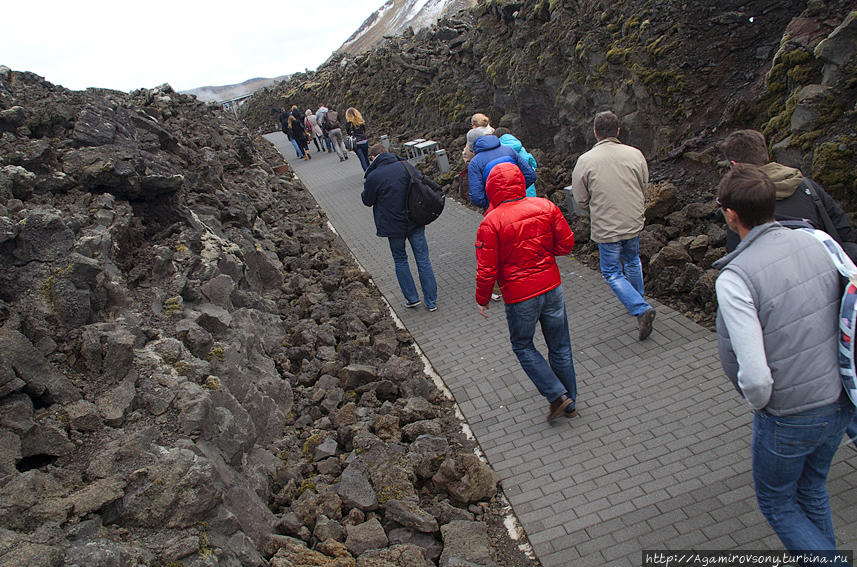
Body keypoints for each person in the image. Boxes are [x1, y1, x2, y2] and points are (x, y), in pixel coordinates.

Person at [713, 163, 855, 563]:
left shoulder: (735, 277)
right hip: (840, 400)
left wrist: (761, 405)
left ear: (730, 214)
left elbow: (755, 375)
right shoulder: (817, 243)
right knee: (811, 489)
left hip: (789, 414)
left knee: (778, 504)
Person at [475, 162, 578, 421]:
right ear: (521, 181)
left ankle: (557, 394)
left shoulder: (491, 222)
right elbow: (566, 244)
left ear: (491, 188)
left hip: (520, 295)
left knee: (522, 345)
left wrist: (483, 299)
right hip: (551, 287)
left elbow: (486, 269)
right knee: (560, 346)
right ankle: (570, 400)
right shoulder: (545, 206)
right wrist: (544, 254)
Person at [571, 110, 655, 340]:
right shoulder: (635, 154)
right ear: (618, 130)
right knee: (632, 260)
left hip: (606, 225)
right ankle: (638, 301)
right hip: (633, 220)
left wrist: (592, 209)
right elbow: (643, 184)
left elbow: (580, 198)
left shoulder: (585, 160)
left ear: (595, 132)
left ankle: (639, 307)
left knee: (611, 271)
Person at [721, 129, 857, 259]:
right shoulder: (806, 185)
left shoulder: (739, 200)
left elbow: (736, 253)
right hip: (825, 268)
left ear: (735, 165)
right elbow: (843, 230)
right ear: (766, 155)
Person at [361, 143, 438, 311]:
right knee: (423, 259)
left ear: (373, 158)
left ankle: (412, 298)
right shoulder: (405, 165)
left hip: (392, 226)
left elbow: (367, 201)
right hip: (414, 220)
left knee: (400, 259)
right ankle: (431, 301)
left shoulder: (374, 176)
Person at [468, 134, 536, 210]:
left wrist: (491, 203)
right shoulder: (509, 150)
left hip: (496, 208)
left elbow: (477, 197)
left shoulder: (475, 162)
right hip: (519, 201)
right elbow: (530, 175)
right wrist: (516, 190)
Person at [493, 127, 538, 197]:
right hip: (528, 187)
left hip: (511, 189)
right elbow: (532, 162)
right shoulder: (520, 147)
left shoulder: (499, 151)